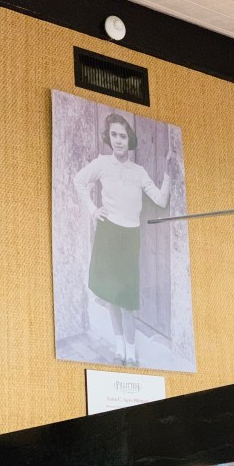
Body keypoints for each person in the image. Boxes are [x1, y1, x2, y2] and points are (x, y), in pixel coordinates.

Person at [74, 113, 171, 366]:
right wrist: (93, 210)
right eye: (114, 135)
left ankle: (131, 352)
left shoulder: (139, 172)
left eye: (123, 136)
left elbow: (161, 200)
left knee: (126, 300)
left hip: (129, 237)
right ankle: (120, 350)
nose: (118, 140)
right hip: (108, 234)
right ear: (109, 138)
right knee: (111, 297)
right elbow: (79, 181)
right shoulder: (103, 163)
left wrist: (169, 174)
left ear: (130, 140)